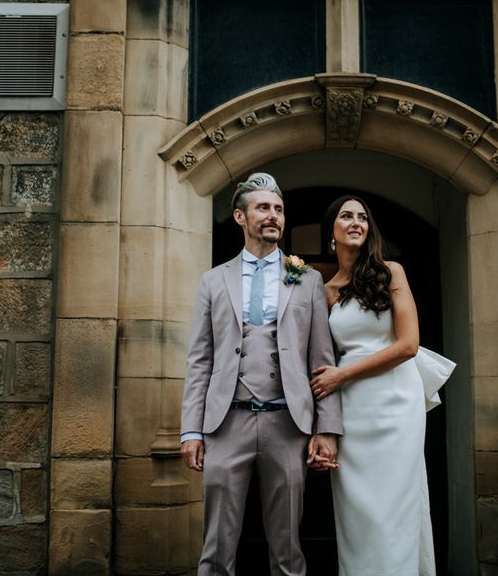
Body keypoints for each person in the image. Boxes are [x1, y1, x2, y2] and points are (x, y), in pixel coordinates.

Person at [180, 172, 343, 576]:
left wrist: (327, 429)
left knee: (287, 546)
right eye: (263, 208)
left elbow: (321, 359)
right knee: (216, 546)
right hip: (225, 423)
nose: (273, 216)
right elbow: (200, 359)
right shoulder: (213, 280)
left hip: (288, 424)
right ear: (240, 216)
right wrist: (191, 431)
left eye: (279, 209)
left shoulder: (307, 280)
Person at [310, 196, 439, 575]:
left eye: (363, 217)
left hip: (396, 402)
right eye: (346, 216)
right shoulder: (325, 289)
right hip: (353, 410)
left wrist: (342, 375)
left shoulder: (390, 272)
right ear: (331, 230)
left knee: (396, 509)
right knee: (358, 513)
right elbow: (319, 354)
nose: (356, 222)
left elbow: (408, 345)